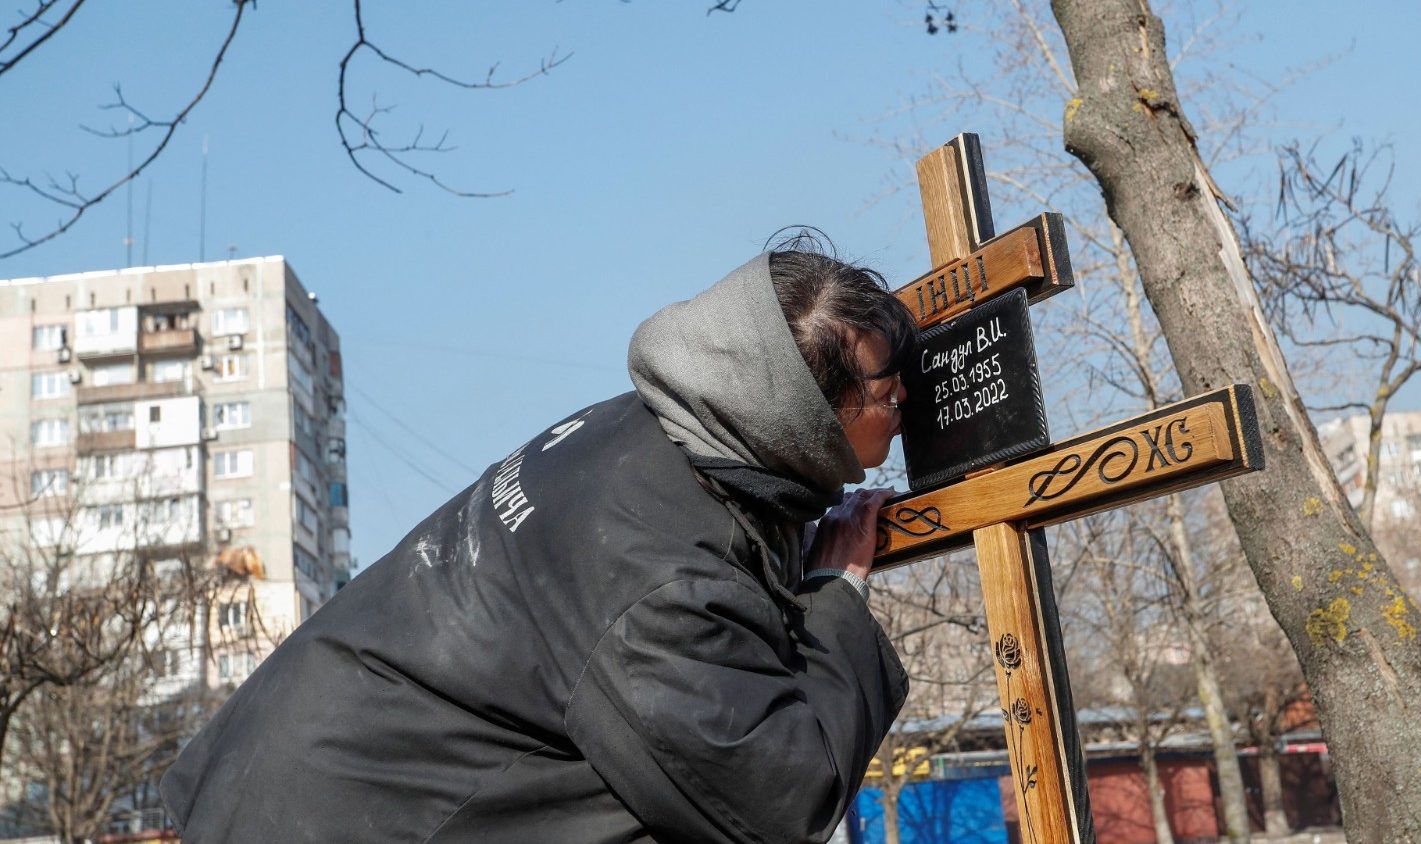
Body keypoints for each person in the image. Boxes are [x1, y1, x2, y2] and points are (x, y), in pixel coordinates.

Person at [161, 239, 916, 843]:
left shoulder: (643, 427)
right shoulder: (663, 579)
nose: (905, 397)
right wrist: (833, 591)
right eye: (887, 388)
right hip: (351, 813)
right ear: (805, 420)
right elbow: (779, 804)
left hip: (280, 767)